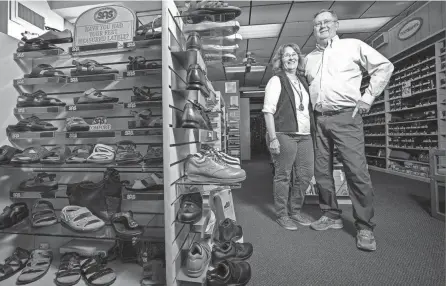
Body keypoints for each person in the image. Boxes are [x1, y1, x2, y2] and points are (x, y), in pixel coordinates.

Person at [304, 9, 394, 251]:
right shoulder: (309, 59)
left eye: (326, 22)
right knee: (321, 171)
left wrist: (367, 98)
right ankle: (331, 215)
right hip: (319, 119)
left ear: (336, 25)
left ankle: (365, 226)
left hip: (346, 116)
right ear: (313, 29)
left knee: (356, 171)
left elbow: (384, 66)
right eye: (317, 24)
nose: (322, 26)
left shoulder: (353, 46)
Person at [262, 43, 315, 231]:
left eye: (294, 55)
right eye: (286, 56)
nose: (291, 58)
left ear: (299, 58)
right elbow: (268, 111)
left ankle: (295, 210)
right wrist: (273, 137)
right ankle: (282, 214)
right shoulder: (276, 80)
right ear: (280, 60)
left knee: (306, 174)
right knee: (283, 175)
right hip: (284, 134)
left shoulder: (303, 80)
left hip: (305, 135)